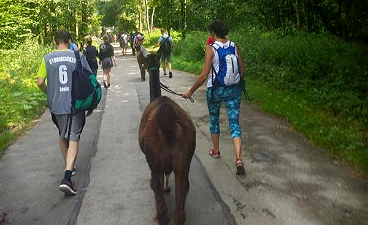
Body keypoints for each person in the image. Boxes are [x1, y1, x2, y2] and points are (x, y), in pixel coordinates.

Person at [182, 20, 246, 175]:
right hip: (233, 91)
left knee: (214, 119)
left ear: (213, 32)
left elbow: (204, 75)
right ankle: (238, 159)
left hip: (215, 90)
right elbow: (243, 71)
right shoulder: (234, 46)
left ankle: (216, 150)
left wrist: (190, 91)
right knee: (234, 124)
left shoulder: (211, 49)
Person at [37, 29, 93, 195]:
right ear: (69, 40)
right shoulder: (76, 55)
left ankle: (70, 165)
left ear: (55, 42)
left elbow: (40, 81)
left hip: (56, 104)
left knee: (63, 134)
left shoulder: (47, 58)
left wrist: (49, 93)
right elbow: (88, 76)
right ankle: (67, 177)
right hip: (74, 102)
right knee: (74, 136)